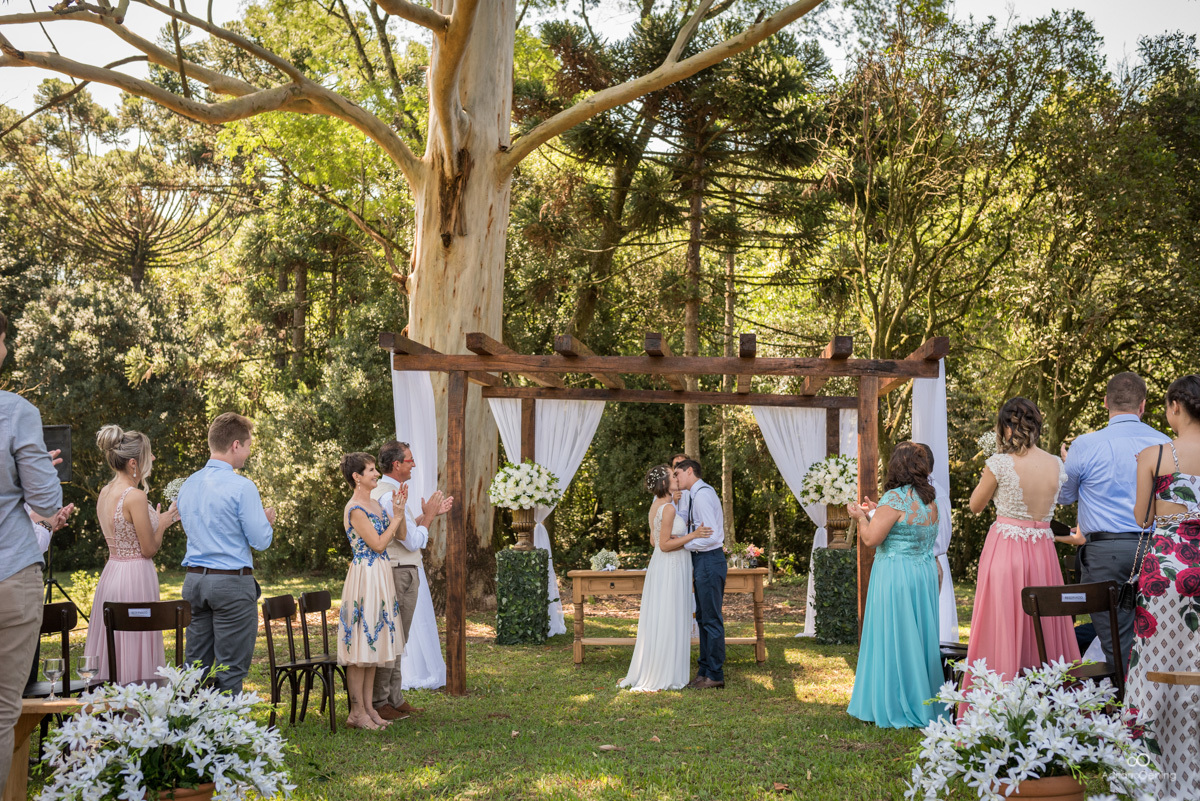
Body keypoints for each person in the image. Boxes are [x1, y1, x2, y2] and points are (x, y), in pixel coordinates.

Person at [1058, 372, 1169, 670]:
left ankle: (1122, 706)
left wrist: (1068, 463)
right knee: (1154, 637)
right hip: (1156, 550)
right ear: (1143, 405)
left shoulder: (1085, 444)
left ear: (1106, 402)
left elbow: (1065, 496)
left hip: (1103, 554)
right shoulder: (1165, 443)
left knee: (1115, 644)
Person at [965, 398, 1080, 682]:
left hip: (1006, 551)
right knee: (1043, 622)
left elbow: (974, 506)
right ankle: (1047, 695)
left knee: (1002, 621)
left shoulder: (1000, 463)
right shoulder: (1056, 463)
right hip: (1044, 555)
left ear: (1006, 427)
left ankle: (1000, 695)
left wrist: (986, 478)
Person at [1125, 375, 1200, 799]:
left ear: (1174, 407)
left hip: (1166, 572)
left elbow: (1141, 517)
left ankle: (1152, 772)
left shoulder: (1154, 454)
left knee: (1156, 662)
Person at [0, 310, 63, 791]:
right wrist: (35, 465)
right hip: (10, 572)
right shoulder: (17, 412)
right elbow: (45, 501)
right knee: (3, 711)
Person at [846, 442, 948, 728]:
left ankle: (895, 702)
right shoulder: (930, 499)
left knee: (893, 635)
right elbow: (907, 526)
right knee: (916, 637)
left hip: (896, 575)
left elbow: (870, 539)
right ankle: (923, 697)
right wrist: (878, 512)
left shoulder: (895, 497)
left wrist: (860, 517)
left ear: (896, 466)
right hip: (922, 574)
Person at [177, 412, 275, 695]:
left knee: (195, 668)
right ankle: (229, 736)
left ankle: (194, 731)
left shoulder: (188, 484)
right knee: (230, 669)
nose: (247, 453)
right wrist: (266, 522)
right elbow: (260, 541)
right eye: (247, 446)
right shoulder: (242, 486)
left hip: (194, 581)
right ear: (235, 445)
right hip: (231, 583)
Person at [84, 425, 180, 683]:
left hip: (113, 572)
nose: (154, 459)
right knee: (135, 636)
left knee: (116, 641)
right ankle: (135, 709)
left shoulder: (105, 493)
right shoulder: (135, 497)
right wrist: (162, 524)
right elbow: (148, 549)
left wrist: (159, 520)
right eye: (150, 455)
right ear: (134, 463)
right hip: (135, 577)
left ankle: (113, 704)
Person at [369, 440, 452, 720]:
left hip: (401, 569)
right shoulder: (389, 496)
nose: (413, 464)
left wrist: (426, 516)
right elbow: (411, 541)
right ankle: (381, 702)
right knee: (393, 638)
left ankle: (394, 697)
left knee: (398, 638)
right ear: (397, 465)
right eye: (409, 460)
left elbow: (402, 529)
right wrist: (428, 517)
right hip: (398, 570)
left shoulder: (389, 492)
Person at [618, 465, 710, 692]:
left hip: (663, 565)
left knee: (664, 615)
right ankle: (666, 673)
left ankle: (661, 666)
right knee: (670, 615)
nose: (676, 477)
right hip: (671, 565)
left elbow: (653, 541)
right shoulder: (668, 508)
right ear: (665, 483)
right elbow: (664, 544)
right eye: (672, 475)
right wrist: (693, 535)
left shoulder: (657, 507)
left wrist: (677, 536)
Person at [339, 452, 404, 730]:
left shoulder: (376, 504)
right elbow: (378, 544)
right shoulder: (355, 509)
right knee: (360, 646)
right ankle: (356, 712)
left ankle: (369, 709)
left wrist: (399, 514)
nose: (377, 474)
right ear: (357, 477)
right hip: (365, 575)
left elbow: (397, 535)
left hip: (381, 574)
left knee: (373, 643)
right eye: (371, 470)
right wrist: (397, 518)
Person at [674, 458, 727, 689]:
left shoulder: (703, 495)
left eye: (677, 474)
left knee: (711, 619)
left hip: (709, 560)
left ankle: (715, 674)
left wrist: (685, 544)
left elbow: (713, 536)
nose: (675, 479)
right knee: (703, 618)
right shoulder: (696, 494)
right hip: (703, 560)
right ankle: (704, 669)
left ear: (689, 471)